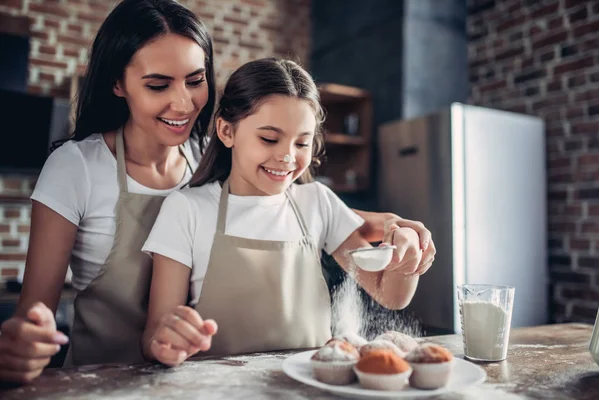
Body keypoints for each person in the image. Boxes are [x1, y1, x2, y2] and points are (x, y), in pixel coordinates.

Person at [0, 0, 434, 384]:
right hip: (104, 381)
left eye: (195, 80)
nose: (185, 104)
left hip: (195, 381)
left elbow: (297, 204)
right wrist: (25, 342)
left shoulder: (207, 158)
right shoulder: (78, 166)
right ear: (118, 83)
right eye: (158, 85)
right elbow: (34, 315)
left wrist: (393, 231)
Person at [141, 58, 434, 367]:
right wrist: (167, 343)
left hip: (311, 385)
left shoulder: (317, 202)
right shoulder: (187, 209)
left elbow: (391, 295)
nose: (286, 156)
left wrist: (406, 255)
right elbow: (153, 335)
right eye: (269, 138)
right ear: (227, 131)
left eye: (302, 143)